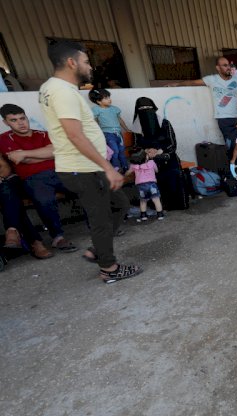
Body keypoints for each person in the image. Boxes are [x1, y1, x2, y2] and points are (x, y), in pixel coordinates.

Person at [38, 40, 139, 283]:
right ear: (71, 62)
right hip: (82, 169)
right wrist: (107, 167)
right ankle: (109, 268)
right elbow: (74, 135)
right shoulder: (62, 91)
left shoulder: (52, 87)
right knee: (100, 219)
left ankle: (98, 249)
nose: (90, 66)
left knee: (120, 203)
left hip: (87, 166)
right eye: (85, 61)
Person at [0, 103, 77, 252]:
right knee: (44, 199)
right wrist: (45, 153)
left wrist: (24, 153)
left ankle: (98, 227)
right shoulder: (4, 138)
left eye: (22, 118)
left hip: (60, 172)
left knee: (88, 186)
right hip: (33, 178)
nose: (20, 123)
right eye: (14, 120)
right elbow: (23, 160)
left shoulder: (43, 134)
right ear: (6, 122)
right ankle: (58, 237)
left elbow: (56, 151)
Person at [170, 56, 237, 155]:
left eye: (229, 65)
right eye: (225, 65)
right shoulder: (212, 79)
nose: (228, 68)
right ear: (218, 68)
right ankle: (233, 163)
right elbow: (193, 82)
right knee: (231, 145)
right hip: (224, 119)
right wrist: (177, 84)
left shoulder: (236, 80)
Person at [0, 155, 52, 258]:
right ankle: (33, 241)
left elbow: (5, 168)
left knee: (8, 191)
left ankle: (13, 231)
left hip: (8, 182)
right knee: (12, 199)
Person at [88, 89, 131, 173]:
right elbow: (95, 121)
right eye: (106, 98)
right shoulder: (96, 110)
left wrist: (126, 129)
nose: (109, 99)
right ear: (99, 101)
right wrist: (97, 132)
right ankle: (115, 168)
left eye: (109, 97)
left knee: (121, 151)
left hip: (118, 133)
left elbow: (119, 119)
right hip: (108, 134)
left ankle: (125, 167)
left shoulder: (114, 109)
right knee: (114, 151)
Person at [125, 148, 164, 222]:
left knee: (143, 201)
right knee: (156, 199)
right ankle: (160, 214)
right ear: (146, 157)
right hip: (152, 185)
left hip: (141, 186)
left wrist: (125, 173)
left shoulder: (134, 166)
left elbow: (128, 173)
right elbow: (156, 170)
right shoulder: (151, 163)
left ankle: (143, 215)